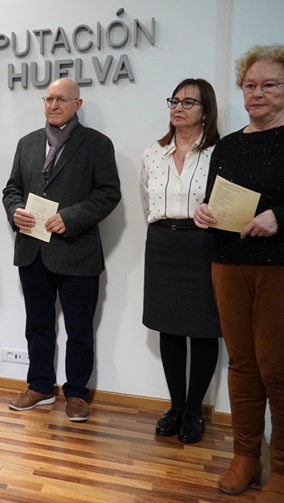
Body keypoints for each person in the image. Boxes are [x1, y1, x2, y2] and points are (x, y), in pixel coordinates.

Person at [194, 45, 284, 502]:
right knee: (243, 365)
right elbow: (216, 198)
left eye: (270, 85)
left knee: (278, 368)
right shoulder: (227, 146)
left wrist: (278, 217)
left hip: (279, 267)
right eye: (251, 86)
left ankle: (283, 466)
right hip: (227, 263)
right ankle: (246, 456)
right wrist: (203, 212)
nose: (258, 93)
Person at [2, 78, 121, 423]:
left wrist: (70, 217)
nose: (53, 105)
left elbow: (108, 194)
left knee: (79, 328)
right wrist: (14, 210)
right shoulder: (27, 143)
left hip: (77, 250)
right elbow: (11, 189)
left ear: (77, 104)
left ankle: (76, 394)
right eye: (49, 99)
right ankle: (39, 387)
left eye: (61, 100)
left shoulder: (97, 144)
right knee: (38, 325)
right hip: (32, 251)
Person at [140, 79, 222, 444]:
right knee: (168, 327)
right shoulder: (151, 154)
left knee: (204, 328)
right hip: (161, 243)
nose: (179, 107)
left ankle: (194, 410)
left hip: (203, 244)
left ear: (206, 111)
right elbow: (146, 201)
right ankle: (175, 407)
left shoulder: (220, 152)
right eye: (175, 100)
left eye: (190, 102)